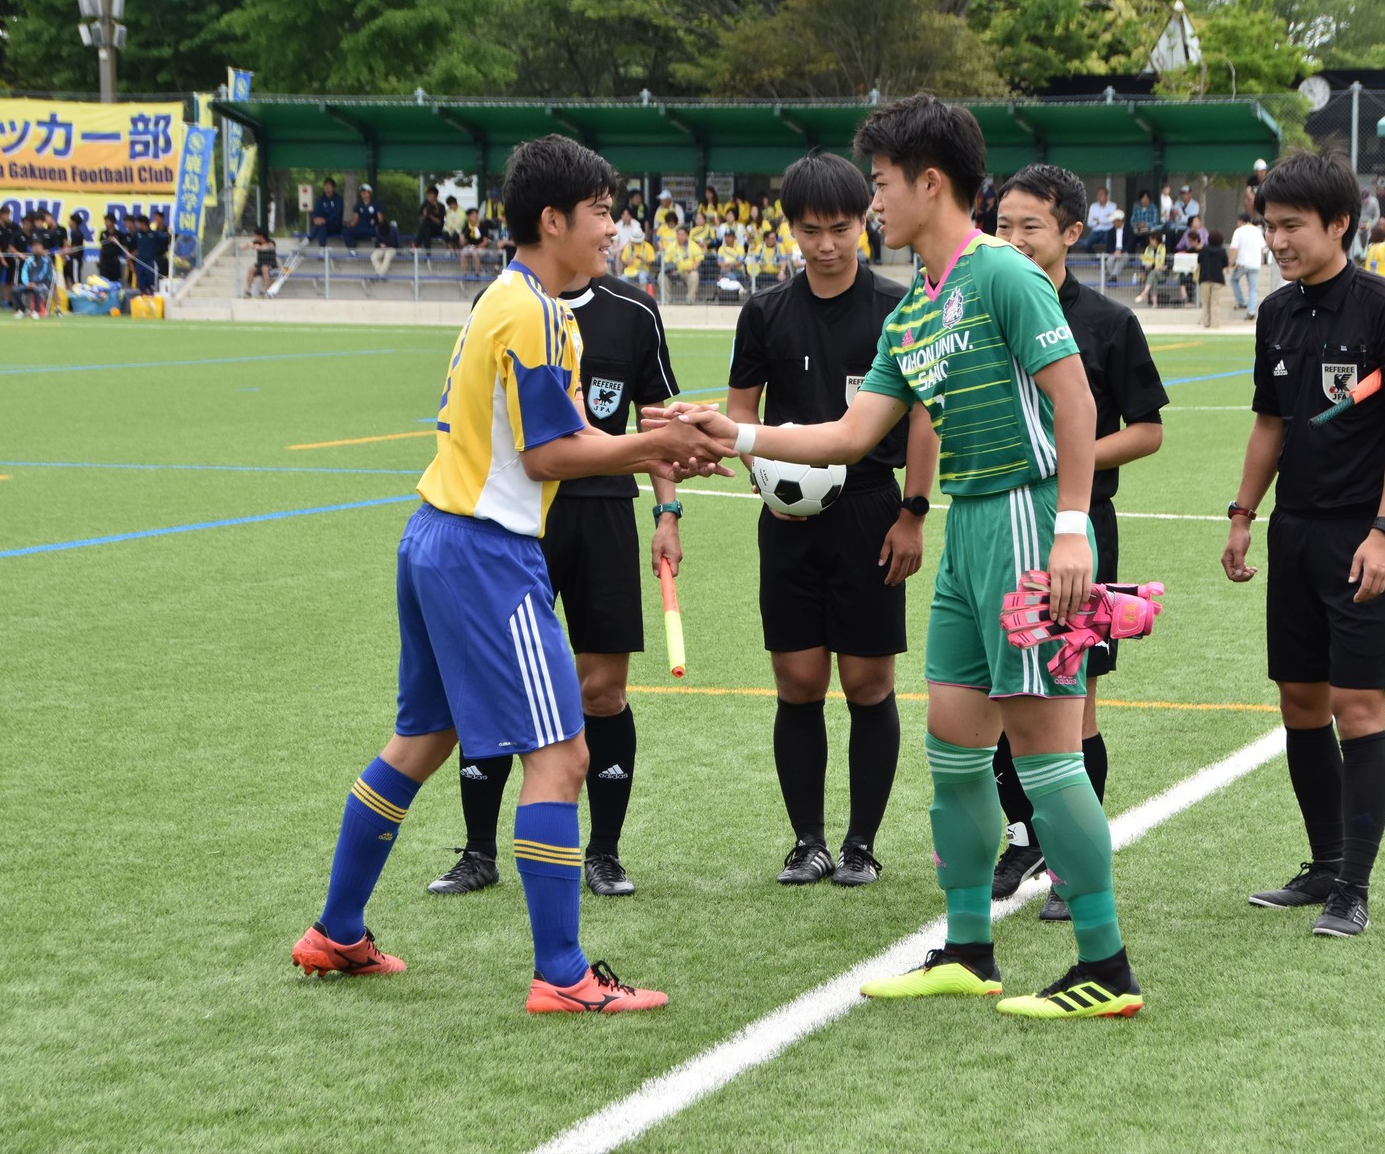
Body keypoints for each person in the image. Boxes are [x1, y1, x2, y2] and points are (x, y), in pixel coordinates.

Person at [658, 93, 1144, 1018]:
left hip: (1025, 524)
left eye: (880, 186)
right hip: (967, 535)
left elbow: (1077, 405)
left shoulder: (1003, 275)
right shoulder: (918, 308)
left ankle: (1104, 965)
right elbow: (850, 434)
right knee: (956, 747)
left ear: (930, 183)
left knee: (1046, 752)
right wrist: (737, 435)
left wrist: (1073, 527)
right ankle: (969, 944)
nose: (873, 205)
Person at [287, 134, 733, 1013]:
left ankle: (336, 933)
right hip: (487, 556)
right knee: (562, 756)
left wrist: (663, 443)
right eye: (603, 212)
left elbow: (567, 437)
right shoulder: (529, 311)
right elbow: (546, 456)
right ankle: (563, 977)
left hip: (435, 540)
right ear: (553, 219)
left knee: (420, 741)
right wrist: (658, 444)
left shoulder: (529, 302)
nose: (615, 228)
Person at [1221, 149, 1385, 939]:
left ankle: (1356, 888)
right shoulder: (1275, 312)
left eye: (1293, 227)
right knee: (1300, 702)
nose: (1278, 241)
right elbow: (1270, 422)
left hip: (1360, 532)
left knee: (1356, 706)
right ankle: (1324, 864)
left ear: (1340, 223)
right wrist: (1243, 515)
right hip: (1295, 531)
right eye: (1270, 226)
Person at [429, 260, 683, 900]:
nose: (607, 229)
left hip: (603, 515)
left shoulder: (635, 309)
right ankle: (478, 852)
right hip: (517, 521)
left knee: (603, 689)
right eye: (596, 212)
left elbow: (656, 423)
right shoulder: (506, 304)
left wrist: (668, 512)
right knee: (496, 683)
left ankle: (603, 853)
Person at [726, 153, 935, 887]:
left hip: (874, 512)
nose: (825, 245)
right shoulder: (765, 312)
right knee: (798, 681)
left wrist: (913, 511)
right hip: (788, 522)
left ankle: (861, 844)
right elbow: (741, 410)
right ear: (791, 231)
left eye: (839, 229)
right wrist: (766, 475)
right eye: (810, 231)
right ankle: (807, 841)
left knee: (869, 684)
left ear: (864, 225)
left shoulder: (898, 309)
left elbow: (923, 422)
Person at [990, 163, 1167, 919]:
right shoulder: (979, 314)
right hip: (996, 529)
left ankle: (1070, 866)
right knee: (1001, 697)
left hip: (1074, 531)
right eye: (1002, 226)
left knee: (1072, 700)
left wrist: (1070, 459)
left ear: (1070, 232)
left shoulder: (1107, 322)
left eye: (1030, 226)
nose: (1013, 240)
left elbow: (1149, 432)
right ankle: (1024, 835)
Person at [1228, 210, 1267, 319]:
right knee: (1253, 288)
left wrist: (1230, 262)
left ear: (1240, 220)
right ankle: (1251, 311)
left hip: (1242, 264)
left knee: (1234, 280)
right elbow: (1263, 247)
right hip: (1255, 264)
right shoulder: (1257, 231)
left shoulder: (1239, 231)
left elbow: (1234, 248)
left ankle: (1241, 301)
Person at [11, 238, 55, 316]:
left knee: (37, 290)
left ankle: (36, 311)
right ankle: (22, 310)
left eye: (38, 246)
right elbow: (24, 273)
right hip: (29, 284)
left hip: (43, 284)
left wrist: (35, 283)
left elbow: (44, 273)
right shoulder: (29, 260)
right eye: (34, 246)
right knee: (15, 290)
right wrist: (27, 283)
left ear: (42, 248)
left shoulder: (47, 260)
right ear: (31, 248)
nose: (36, 248)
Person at [1197, 229, 1229, 327]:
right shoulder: (1222, 251)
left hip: (1204, 278)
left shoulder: (1203, 250)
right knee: (1215, 303)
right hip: (1217, 279)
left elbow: (1199, 262)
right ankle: (1215, 324)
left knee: (1205, 302)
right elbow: (1225, 264)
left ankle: (1206, 323)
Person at [667, 224, 704, 303]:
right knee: (661, 276)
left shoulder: (693, 245)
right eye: (678, 234)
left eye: (682, 234)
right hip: (674, 271)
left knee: (694, 275)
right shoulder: (671, 245)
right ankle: (667, 299)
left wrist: (692, 268)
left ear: (687, 235)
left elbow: (698, 259)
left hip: (688, 271)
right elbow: (666, 260)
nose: (680, 236)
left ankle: (690, 298)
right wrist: (671, 269)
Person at [1132, 232, 1167, 306]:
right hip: (1150, 272)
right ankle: (1154, 304)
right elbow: (1145, 260)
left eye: (1152, 240)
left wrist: (1158, 266)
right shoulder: (1148, 248)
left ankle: (1144, 292)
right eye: (1150, 240)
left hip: (1161, 273)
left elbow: (1163, 263)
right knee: (1153, 278)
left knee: (1153, 273)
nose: (1151, 242)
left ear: (1157, 240)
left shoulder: (1163, 247)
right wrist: (1146, 264)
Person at [309, 177, 344, 248]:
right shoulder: (320, 199)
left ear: (333, 187)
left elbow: (336, 214)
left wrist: (325, 220)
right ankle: (323, 249)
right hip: (322, 226)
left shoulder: (338, 199)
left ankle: (307, 239)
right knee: (321, 228)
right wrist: (315, 219)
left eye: (329, 185)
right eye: (325, 185)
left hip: (335, 225)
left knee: (321, 226)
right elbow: (316, 212)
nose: (326, 187)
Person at [1081, 186, 1117, 253]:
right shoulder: (1093, 206)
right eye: (1098, 194)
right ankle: (1096, 259)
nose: (1099, 196)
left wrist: (1098, 220)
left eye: (1101, 194)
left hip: (1108, 231)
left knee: (1111, 244)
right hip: (1096, 231)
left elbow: (1112, 221)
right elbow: (1089, 223)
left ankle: (1106, 261)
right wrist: (1105, 218)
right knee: (1085, 244)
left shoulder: (1113, 206)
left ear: (1106, 196)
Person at [244, 228, 279, 297]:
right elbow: (243, 246)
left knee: (264, 268)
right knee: (251, 268)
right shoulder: (256, 242)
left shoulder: (271, 242)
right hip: (260, 264)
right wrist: (249, 245)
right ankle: (248, 290)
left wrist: (259, 247)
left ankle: (264, 290)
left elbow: (267, 247)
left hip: (271, 265)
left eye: (256, 236)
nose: (255, 237)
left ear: (260, 236)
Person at [1126, 189, 1158, 255]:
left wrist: (1145, 224)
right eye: (1143, 198)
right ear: (1140, 199)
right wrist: (1137, 224)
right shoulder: (1136, 207)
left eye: (1147, 198)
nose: (1145, 200)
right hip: (1138, 231)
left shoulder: (1153, 207)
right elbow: (1132, 220)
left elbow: (1155, 222)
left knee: (1148, 238)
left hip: (1148, 231)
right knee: (1131, 238)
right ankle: (1131, 258)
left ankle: (1147, 258)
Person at [415, 186, 447, 250]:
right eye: (429, 194)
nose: (430, 197)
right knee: (427, 230)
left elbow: (439, 222)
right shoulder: (425, 204)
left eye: (432, 195)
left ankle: (415, 245)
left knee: (426, 226)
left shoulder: (441, 206)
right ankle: (428, 255)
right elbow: (422, 219)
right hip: (427, 229)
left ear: (436, 196)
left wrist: (430, 216)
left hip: (437, 228)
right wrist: (425, 215)